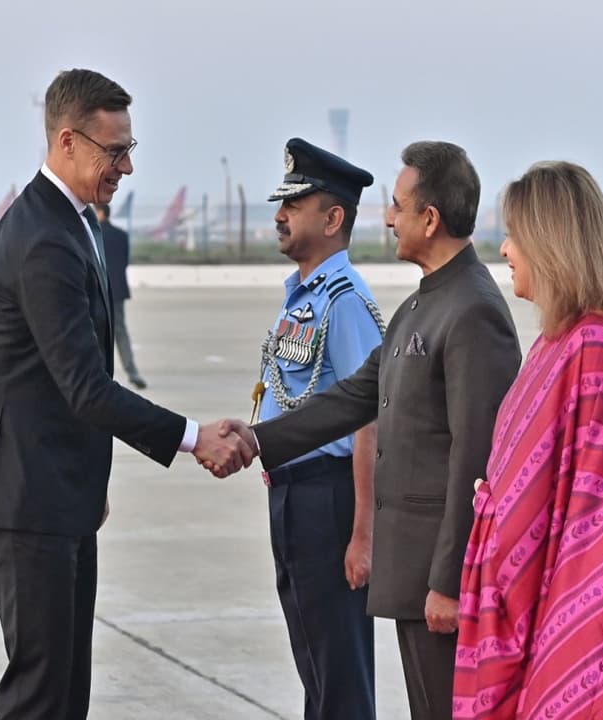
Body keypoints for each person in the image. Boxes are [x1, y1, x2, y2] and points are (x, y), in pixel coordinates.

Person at [0, 68, 252, 720]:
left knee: (66, 694)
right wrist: (192, 436)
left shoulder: (71, 223)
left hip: (56, 492)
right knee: (41, 694)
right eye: (113, 151)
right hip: (27, 498)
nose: (124, 166)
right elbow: (86, 387)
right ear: (67, 142)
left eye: (130, 150)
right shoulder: (43, 237)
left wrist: (89, 480)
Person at [219, 141, 522, 720]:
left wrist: (451, 579)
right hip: (412, 572)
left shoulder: (472, 309)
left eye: (398, 205)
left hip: (438, 573)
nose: (386, 218)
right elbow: (355, 396)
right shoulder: (420, 306)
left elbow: (476, 459)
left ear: (429, 219)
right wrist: (260, 439)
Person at [451, 161, 603, 719]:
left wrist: (502, 530)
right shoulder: (555, 343)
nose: (505, 249)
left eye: (516, 236)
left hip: (577, 597)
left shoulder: (595, 344)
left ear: (552, 245)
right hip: (524, 586)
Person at [253, 137, 384, 719]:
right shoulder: (302, 296)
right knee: (315, 662)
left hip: (329, 502)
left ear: (332, 219)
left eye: (295, 204)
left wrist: (363, 534)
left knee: (339, 673)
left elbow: (370, 419)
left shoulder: (346, 301)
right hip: (294, 497)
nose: (280, 215)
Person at [94, 201, 147, 389]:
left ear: (99, 212)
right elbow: (124, 262)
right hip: (118, 290)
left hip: (98, 290)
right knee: (121, 332)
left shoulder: (93, 233)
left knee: (98, 333)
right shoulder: (122, 235)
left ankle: (100, 374)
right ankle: (132, 372)